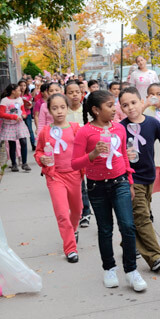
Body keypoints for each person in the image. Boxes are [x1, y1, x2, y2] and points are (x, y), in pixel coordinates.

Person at [71, 90, 147, 292]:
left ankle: (131, 271)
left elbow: (123, 155)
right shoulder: (84, 132)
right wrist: (93, 154)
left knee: (128, 226)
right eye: (110, 106)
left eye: (115, 105)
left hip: (120, 182)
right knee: (105, 230)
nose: (115, 109)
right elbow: (74, 163)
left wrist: (129, 181)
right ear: (96, 110)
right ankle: (109, 268)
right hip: (97, 186)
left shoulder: (119, 129)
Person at [119, 86, 160, 272]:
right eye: (125, 105)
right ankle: (155, 256)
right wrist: (123, 156)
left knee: (138, 215)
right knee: (142, 217)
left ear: (141, 102)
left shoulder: (152, 123)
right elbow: (114, 153)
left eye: (134, 103)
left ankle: (129, 242)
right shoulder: (120, 128)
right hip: (130, 178)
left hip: (148, 176)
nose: (130, 108)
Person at [34, 94, 82, 263]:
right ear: (49, 110)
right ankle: (70, 248)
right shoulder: (46, 131)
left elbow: (85, 150)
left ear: (67, 108)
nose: (59, 111)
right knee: (62, 213)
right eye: (55, 108)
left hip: (74, 175)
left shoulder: (76, 128)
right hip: (55, 176)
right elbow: (38, 151)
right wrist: (41, 159)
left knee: (77, 211)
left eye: (62, 107)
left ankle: (73, 229)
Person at [65, 81, 92, 228]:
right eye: (71, 92)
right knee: (80, 184)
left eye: (77, 91)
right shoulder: (64, 112)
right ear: (65, 95)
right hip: (72, 154)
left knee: (91, 183)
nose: (75, 95)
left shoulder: (87, 110)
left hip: (89, 152)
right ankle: (84, 212)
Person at [0, 84, 31, 172]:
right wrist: (12, 116)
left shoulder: (20, 99)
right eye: (18, 90)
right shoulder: (5, 101)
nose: (20, 92)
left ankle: (24, 163)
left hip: (19, 123)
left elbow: (22, 110)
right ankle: (14, 164)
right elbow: (1, 114)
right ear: (13, 91)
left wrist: (24, 114)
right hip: (9, 125)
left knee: (23, 141)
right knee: (12, 144)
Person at [18, 79, 36, 151]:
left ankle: (33, 144)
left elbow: (31, 105)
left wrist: (29, 106)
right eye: (21, 85)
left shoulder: (28, 95)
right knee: (21, 131)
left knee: (30, 130)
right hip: (19, 115)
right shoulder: (17, 95)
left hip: (27, 114)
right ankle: (22, 146)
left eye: (24, 86)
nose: (23, 87)